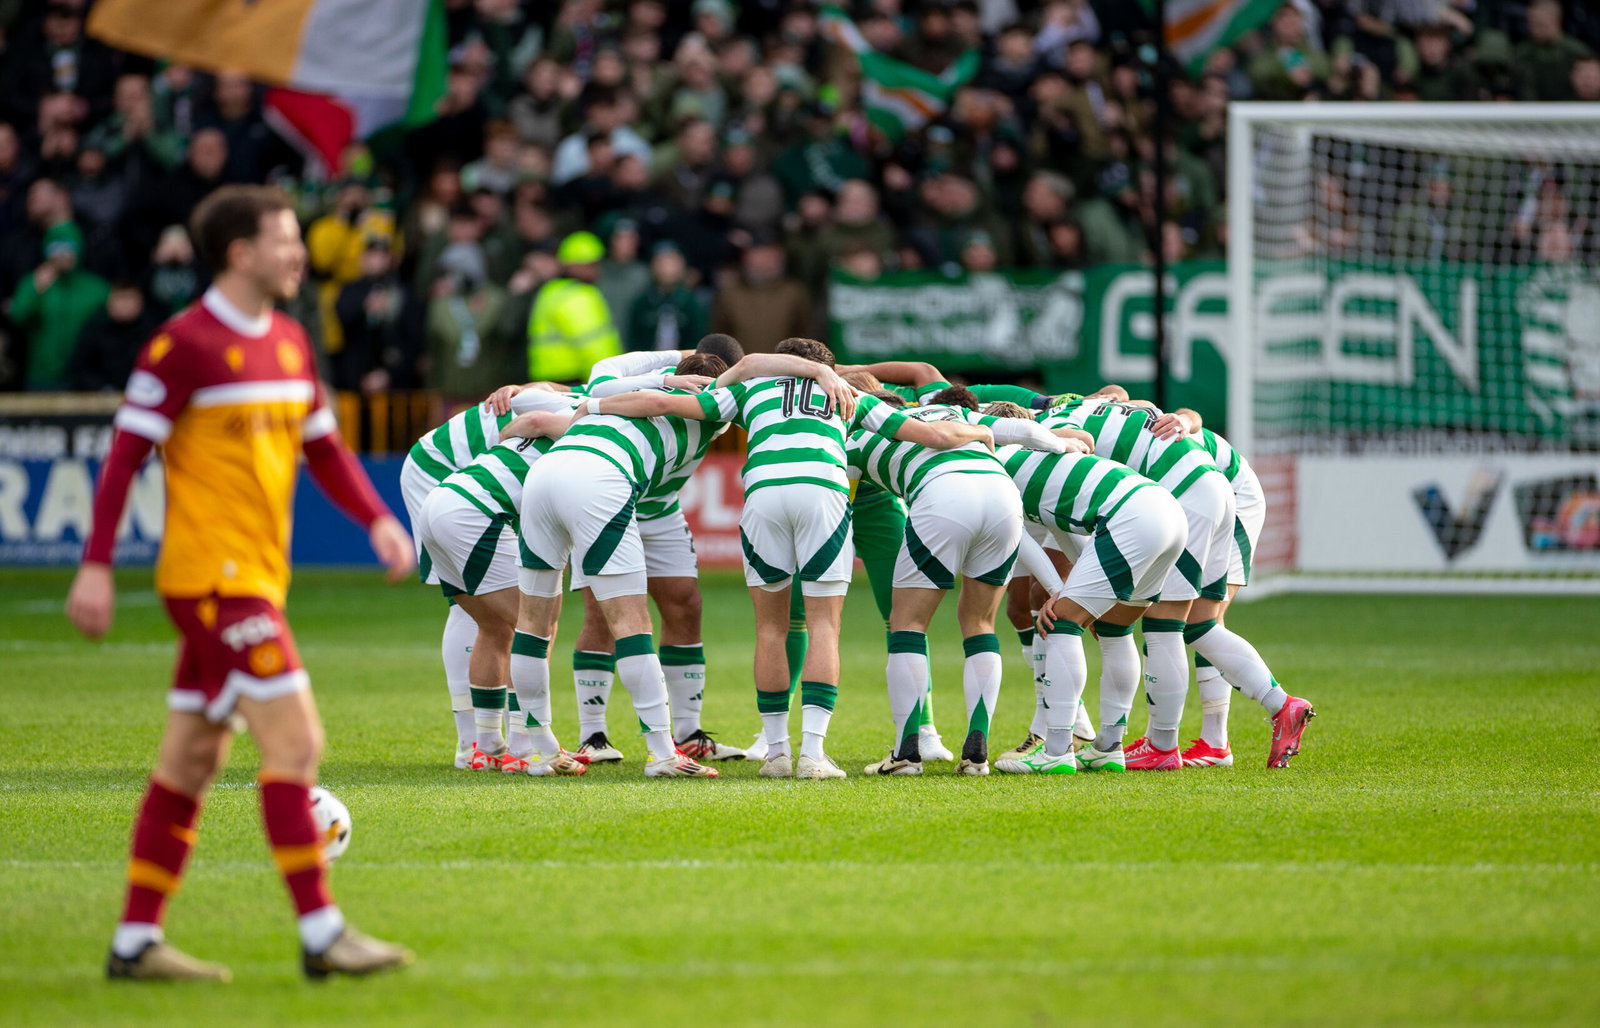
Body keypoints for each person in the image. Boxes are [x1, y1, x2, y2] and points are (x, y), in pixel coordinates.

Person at [65, 184, 414, 981]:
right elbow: (123, 456)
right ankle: (323, 933)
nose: (299, 253)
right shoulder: (182, 345)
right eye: (286, 239)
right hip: (214, 584)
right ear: (240, 253)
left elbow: (323, 449)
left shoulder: (290, 341)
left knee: (189, 762)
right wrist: (95, 565)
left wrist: (378, 520)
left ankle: (134, 944)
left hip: (257, 577)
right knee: (297, 743)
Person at [594, 338, 990, 779]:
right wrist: (979, 431)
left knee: (770, 627)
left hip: (763, 494)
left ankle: (777, 752)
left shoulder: (751, 390)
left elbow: (656, 402)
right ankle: (813, 755)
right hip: (822, 490)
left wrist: (592, 409)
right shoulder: (846, 393)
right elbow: (934, 435)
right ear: (824, 367)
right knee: (825, 624)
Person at [1042, 394, 1316, 770]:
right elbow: (1189, 414)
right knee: (1199, 624)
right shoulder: (1111, 410)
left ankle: (1165, 745)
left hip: (1203, 494)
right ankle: (1268, 713)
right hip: (1211, 490)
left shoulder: (1053, 435)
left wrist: (1077, 594)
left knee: (1167, 622)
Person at [851, 392, 1068, 776]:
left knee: (908, 624)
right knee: (981, 623)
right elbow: (1023, 430)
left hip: (941, 494)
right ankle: (977, 752)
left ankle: (906, 754)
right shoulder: (957, 412)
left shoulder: (860, 431)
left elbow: (839, 495)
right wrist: (1065, 444)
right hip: (1002, 496)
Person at [9, 221, 110, 390]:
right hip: (39, 377)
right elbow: (17, 317)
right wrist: (36, 290)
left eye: (69, 247)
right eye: (56, 248)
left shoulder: (95, 287)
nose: (63, 254)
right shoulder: (33, 282)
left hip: (82, 378)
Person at [526, 231, 623, 383]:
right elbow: (594, 345)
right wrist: (611, 380)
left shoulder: (549, 291)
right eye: (592, 264)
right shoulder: (580, 295)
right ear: (576, 266)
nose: (597, 270)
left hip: (546, 380)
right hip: (574, 379)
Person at [72, 280, 163, 392]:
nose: (124, 305)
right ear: (109, 303)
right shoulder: (95, 330)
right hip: (98, 399)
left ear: (140, 303)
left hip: (142, 396)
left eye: (129, 298)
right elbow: (82, 368)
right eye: (120, 298)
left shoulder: (152, 334)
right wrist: (102, 388)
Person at [626, 240, 708, 352]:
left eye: (673, 263)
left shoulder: (693, 304)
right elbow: (634, 340)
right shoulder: (642, 303)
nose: (667, 269)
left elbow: (699, 339)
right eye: (661, 263)